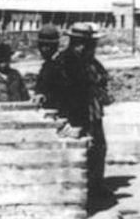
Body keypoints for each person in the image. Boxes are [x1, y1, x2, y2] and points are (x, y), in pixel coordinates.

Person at [60, 22, 111, 197]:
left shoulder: (89, 60)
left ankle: (96, 184)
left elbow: (102, 75)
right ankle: (87, 186)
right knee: (85, 149)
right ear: (77, 42)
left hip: (93, 110)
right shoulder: (67, 60)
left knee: (99, 147)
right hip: (77, 112)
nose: (91, 47)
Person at [33, 24, 65, 111]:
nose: (43, 49)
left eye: (47, 46)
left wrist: (46, 97)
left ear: (56, 46)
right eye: (41, 45)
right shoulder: (47, 65)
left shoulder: (63, 64)